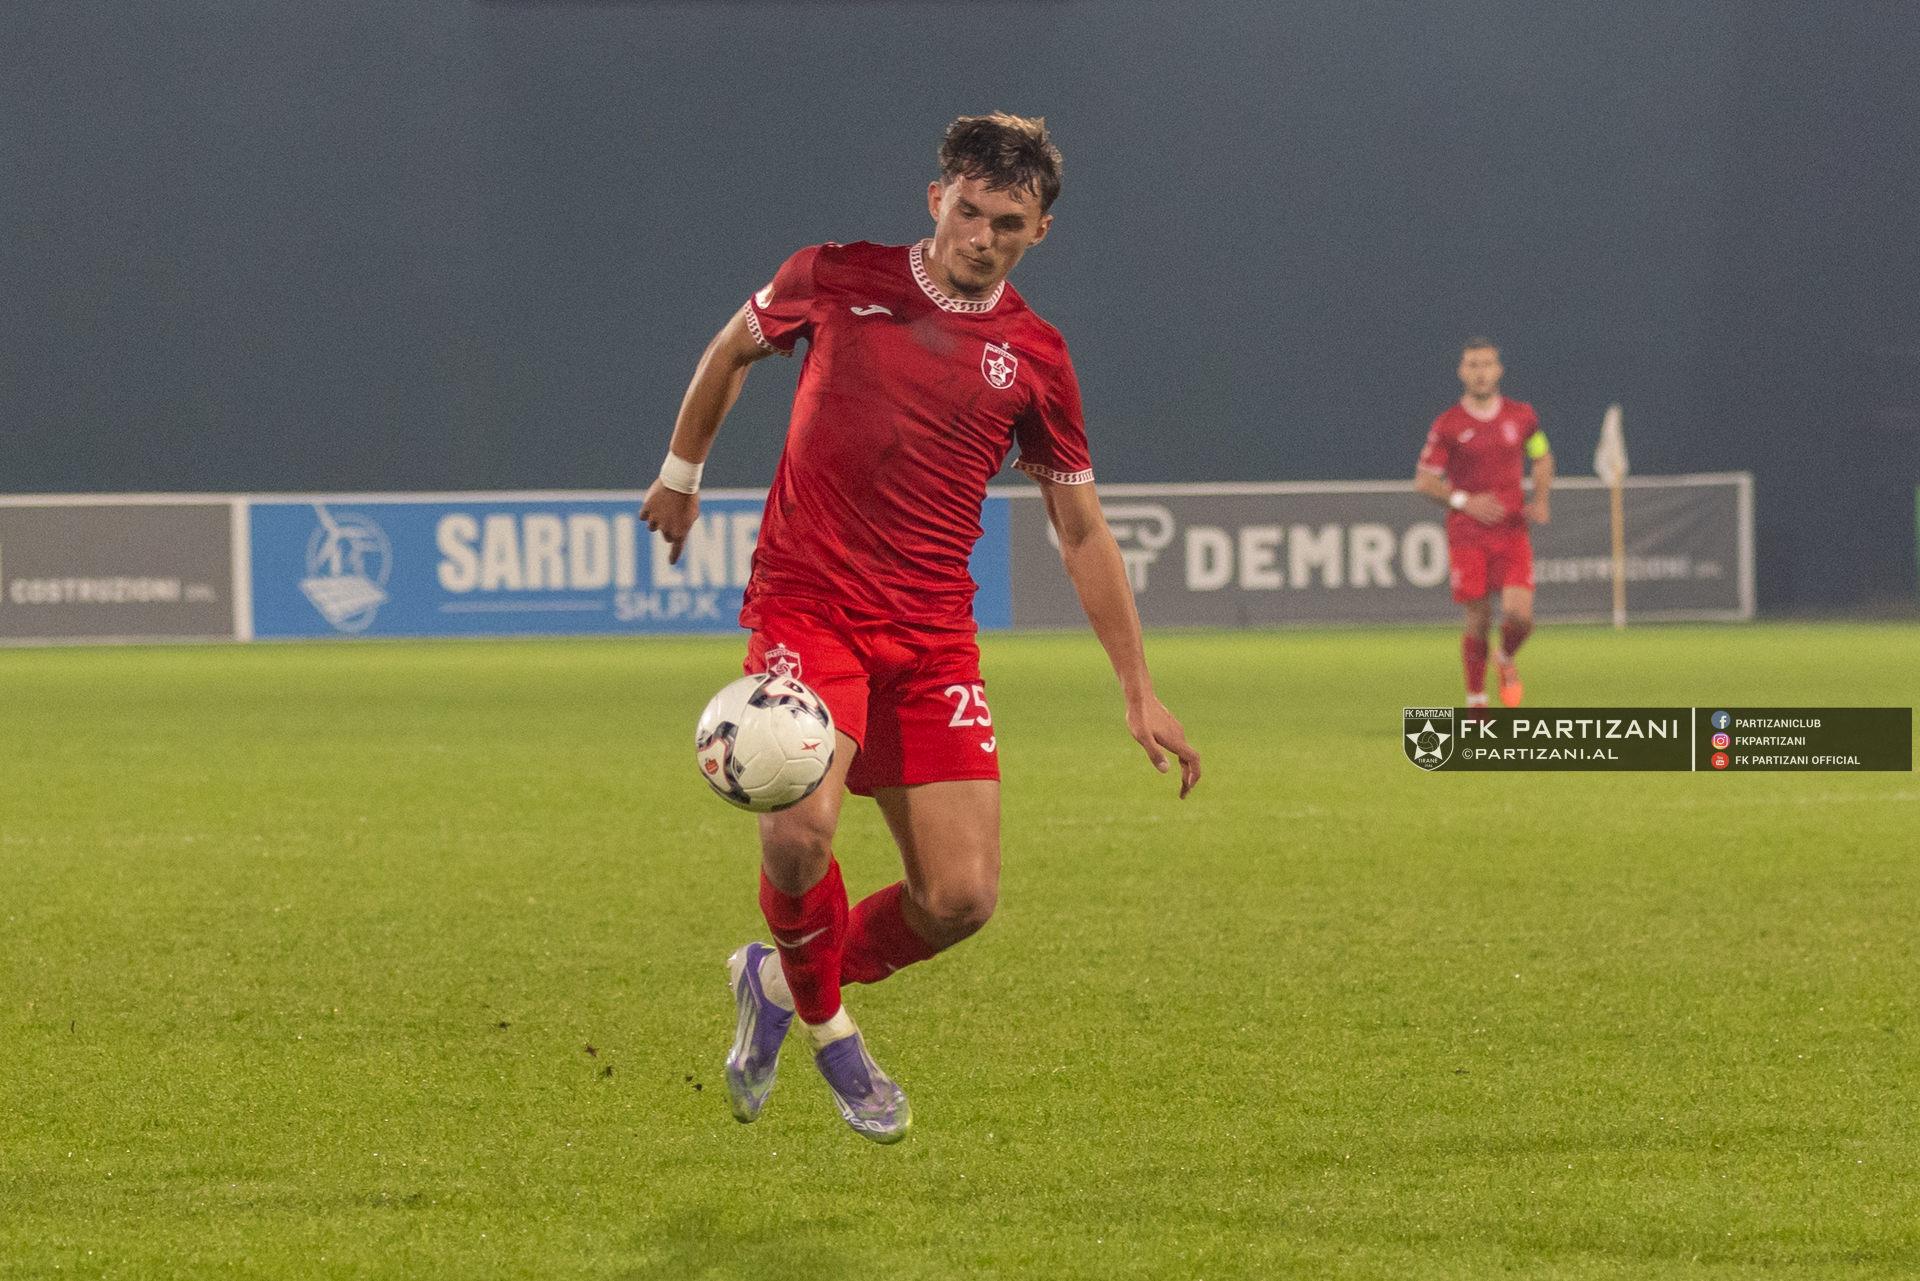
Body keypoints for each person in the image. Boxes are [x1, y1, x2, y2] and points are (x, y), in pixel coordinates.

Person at [639, 114, 1201, 1144]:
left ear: (1040, 232)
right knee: (798, 831)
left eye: (1009, 224)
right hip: (810, 605)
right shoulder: (833, 275)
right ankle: (831, 1029)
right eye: (970, 211)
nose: (982, 238)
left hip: (933, 637)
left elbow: (1080, 530)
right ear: (936, 197)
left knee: (960, 898)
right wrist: (681, 473)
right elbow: (731, 350)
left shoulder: (1036, 356)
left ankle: (778, 980)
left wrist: (1138, 686)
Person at [1413, 338, 1554, 708]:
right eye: (1473, 365)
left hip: (1511, 531)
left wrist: (1541, 499)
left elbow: (1541, 456)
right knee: (1478, 619)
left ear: (1499, 370)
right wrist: (1465, 501)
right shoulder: (1448, 425)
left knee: (1519, 617)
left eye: (1487, 364)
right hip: (1468, 535)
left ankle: (1504, 657)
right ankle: (1477, 701)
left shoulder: (1522, 416)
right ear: (1462, 372)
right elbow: (1424, 480)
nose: (1480, 372)